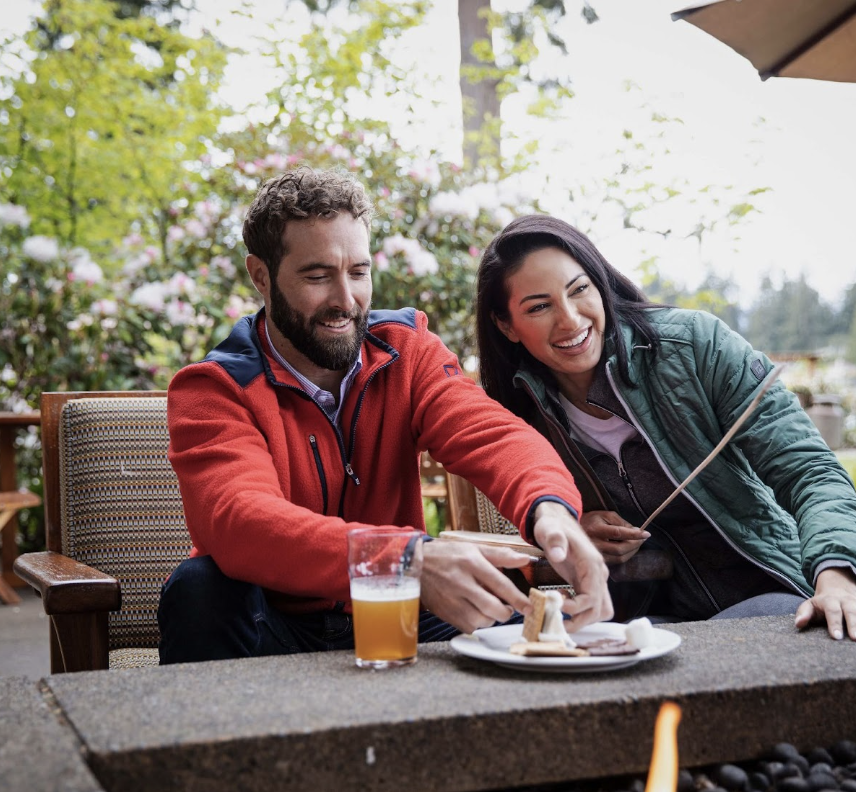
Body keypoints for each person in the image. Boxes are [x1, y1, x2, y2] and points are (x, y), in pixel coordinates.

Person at [158, 169, 610, 664]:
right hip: (275, 624)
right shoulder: (214, 388)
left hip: (399, 609)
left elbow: (492, 433)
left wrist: (551, 511)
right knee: (198, 589)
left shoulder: (407, 352)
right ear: (261, 275)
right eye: (317, 276)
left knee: (519, 613)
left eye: (357, 272)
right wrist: (406, 559)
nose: (346, 300)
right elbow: (241, 523)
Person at [475, 214, 856, 642]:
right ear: (506, 325)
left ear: (599, 284)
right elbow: (524, 525)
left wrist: (837, 580)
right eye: (539, 306)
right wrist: (574, 525)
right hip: (659, 615)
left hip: (787, 593)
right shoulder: (519, 413)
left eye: (579, 289)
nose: (569, 320)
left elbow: (809, 470)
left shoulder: (696, 346)